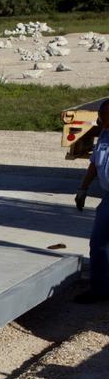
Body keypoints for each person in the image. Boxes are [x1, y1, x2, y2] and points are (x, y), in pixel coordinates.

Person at [73, 99, 109, 304]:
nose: (100, 120)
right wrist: (82, 189)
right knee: (99, 243)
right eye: (101, 115)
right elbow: (95, 164)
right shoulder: (104, 135)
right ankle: (100, 289)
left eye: (104, 116)